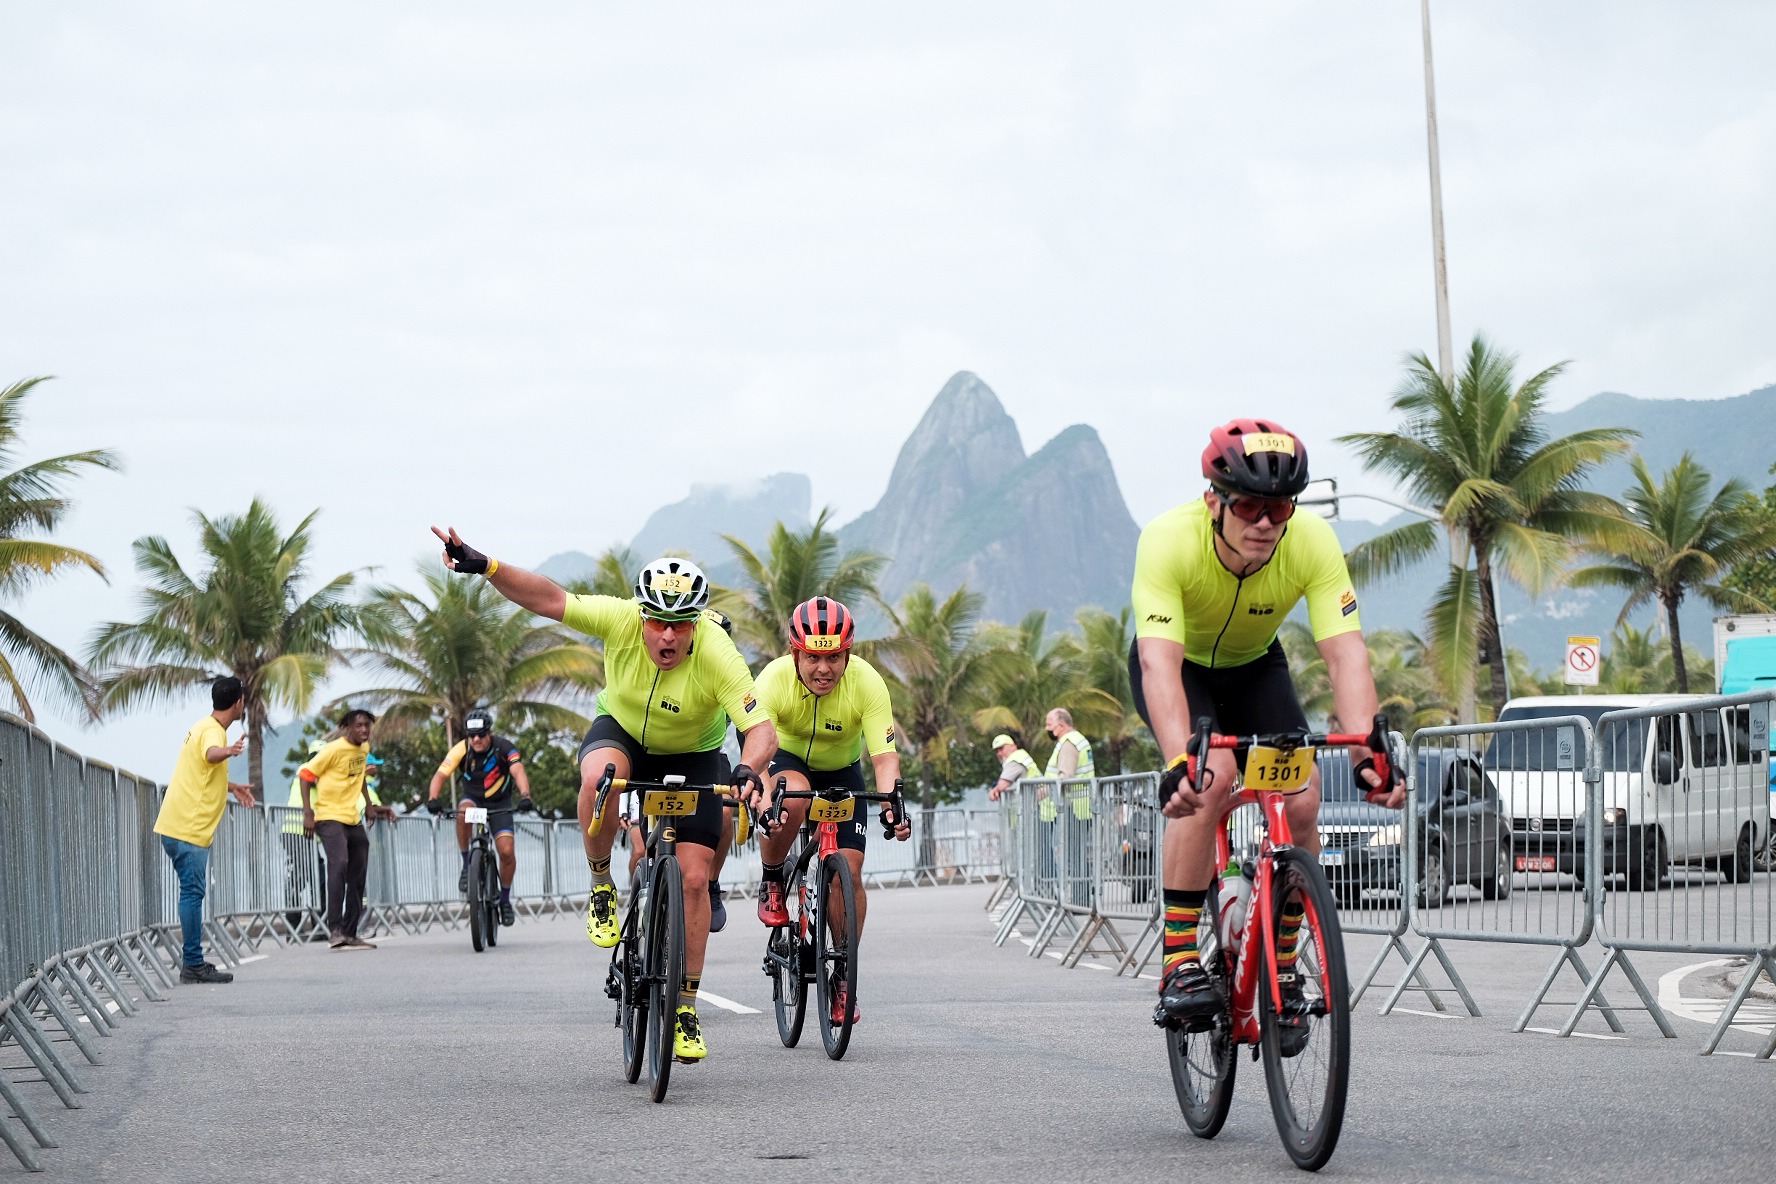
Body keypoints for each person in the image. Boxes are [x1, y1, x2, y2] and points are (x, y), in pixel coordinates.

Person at [431, 527, 776, 1063]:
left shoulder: (718, 651)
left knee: (691, 879)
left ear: (696, 625)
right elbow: (547, 598)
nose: (667, 636)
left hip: (694, 754)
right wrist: (486, 566)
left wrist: (750, 769)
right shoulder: (619, 619)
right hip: (622, 735)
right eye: (657, 622)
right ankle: (600, 887)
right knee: (600, 779)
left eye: (679, 626)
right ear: (641, 616)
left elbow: (761, 731)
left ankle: (684, 1006)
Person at [1129, 418, 1403, 1033]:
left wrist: (1366, 752)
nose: (1264, 522)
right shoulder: (1167, 540)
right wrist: (1180, 761)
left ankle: (1282, 963)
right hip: (1182, 670)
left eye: (1278, 508)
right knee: (1210, 776)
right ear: (1214, 502)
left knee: (1303, 796)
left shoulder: (1310, 541)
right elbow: (1158, 662)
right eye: (1249, 504)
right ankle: (1177, 959)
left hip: (1255, 668)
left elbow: (1345, 652)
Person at [752, 597, 909, 1026]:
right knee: (796, 798)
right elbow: (758, 751)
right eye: (814, 658)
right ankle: (771, 879)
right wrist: (765, 801)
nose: (824, 669)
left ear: (848, 654)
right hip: (786, 761)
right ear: (795, 652)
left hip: (842, 772)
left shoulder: (868, 684)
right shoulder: (773, 680)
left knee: (850, 873)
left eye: (834, 657)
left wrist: (894, 803)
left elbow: (884, 758)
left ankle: (842, 974)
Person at [152, 676, 257, 983]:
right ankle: (193, 964)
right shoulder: (213, 732)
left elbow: (202, 771)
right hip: (189, 829)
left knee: (192, 892)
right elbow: (211, 754)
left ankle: (193, 962)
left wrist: (232, 786)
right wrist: (230, 752)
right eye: (244, 700)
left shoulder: (202, 725)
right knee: (193, 893)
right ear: (238, 703)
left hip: (177, 825)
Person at [425, 709, 534, 927]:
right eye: (471, 735)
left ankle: (504, 900)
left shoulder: (504, 747)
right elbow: (441, 774)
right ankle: (467, 866)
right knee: (463, 813)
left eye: (481, 734)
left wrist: (525, 795)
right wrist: (433, 798)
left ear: (489, 733)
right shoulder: (462, 748)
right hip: (473, 799)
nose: (476, 739)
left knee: (506, 851)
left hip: (499, 803)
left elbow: (518, 770)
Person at [299, 709, 397, 950]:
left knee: (359, 867)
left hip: (351, 816)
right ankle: (335, 931)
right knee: (339, 862)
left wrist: (370, 804)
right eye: (359, 726)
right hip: (328, 815)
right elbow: (305, 775)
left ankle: (350, 932)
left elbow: (359, 775)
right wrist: (308, 812)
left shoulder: (363, 749)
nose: (364, 730)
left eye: (367, 726)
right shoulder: (332, 750)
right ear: (348, 728)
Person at [1043, 708, 1096, 907]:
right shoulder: (1077, 740)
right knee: (1078, 852)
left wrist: (1046, 791)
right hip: (1081, 806)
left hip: (1074, 806)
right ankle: (1082, 897)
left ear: (1061, 725)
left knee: (1076, 854)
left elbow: (1065, 776)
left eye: (1050, 725)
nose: (1047, 729)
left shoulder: (1069, 743)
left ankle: (1081, 900)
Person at [281, 740, 328, 934]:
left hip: (308, 835)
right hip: (296, 833)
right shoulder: (306, 769)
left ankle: (320, 926)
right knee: (301, 880)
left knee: (317, 880)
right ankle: (296, 929)